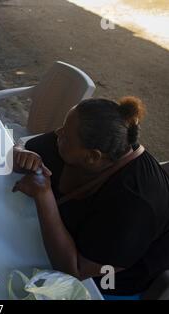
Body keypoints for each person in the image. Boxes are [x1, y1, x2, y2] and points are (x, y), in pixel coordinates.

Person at [12, 97, 169, 298]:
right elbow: (25, 150)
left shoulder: (134, 204)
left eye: (65, 136)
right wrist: (21, 154)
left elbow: (74, 271)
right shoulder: (81, 140)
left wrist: (44, 196)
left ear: (92, 157)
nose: (58, 133)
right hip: (69, 237)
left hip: (108, 280)